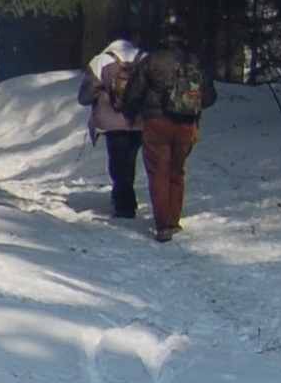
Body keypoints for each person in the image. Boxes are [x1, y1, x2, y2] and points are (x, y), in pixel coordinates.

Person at [125, 30, 218, 242]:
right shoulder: (195, 62)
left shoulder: (152, 60)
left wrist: (130, 113)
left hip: (156, 123)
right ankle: (174, 221)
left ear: (163, 40)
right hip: (186, 126)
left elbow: (134, 92)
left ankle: (163, 225)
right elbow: (209, 98)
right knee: (176, 172)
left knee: (158, 172)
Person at [75, 38, 144, 220]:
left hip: (111, 121)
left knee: (118, 163)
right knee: (129, 161)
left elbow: (85, 96)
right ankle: (124, 198)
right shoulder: (144, 58)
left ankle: (124, 204)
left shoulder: (101, 61)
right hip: (138, 120)